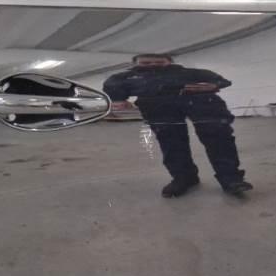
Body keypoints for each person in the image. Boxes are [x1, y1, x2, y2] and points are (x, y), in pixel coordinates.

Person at [103, 54, 253, 197]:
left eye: (159, 62)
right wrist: (118, 99)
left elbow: (221, 80)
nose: (153, 65)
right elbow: (112, 86)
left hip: (202, 104)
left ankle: (231, 179)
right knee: (171, 144)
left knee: (219, 140)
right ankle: (184, 179)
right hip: (158, 108)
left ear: (170, 62)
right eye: (146, 63)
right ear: (135, 64)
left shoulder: (190, 73)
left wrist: (214, 85)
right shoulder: (126, 77)